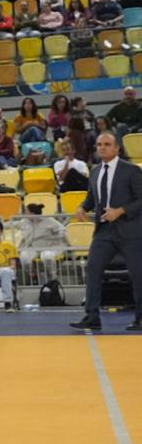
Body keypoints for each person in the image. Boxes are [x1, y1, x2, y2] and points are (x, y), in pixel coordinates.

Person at [70, 133, 142, 332]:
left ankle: (140, 318)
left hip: (131, 230)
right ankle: (92, 316)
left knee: (138, 275)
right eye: (99, 145)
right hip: (104, 231)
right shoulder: (94, 171)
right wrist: (82, 207)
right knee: (93, 270)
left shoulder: (131, 170)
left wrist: (121, 210)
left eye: (107, 144)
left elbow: (140, 200)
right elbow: (92, 197)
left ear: (117, 148)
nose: (102, 148)